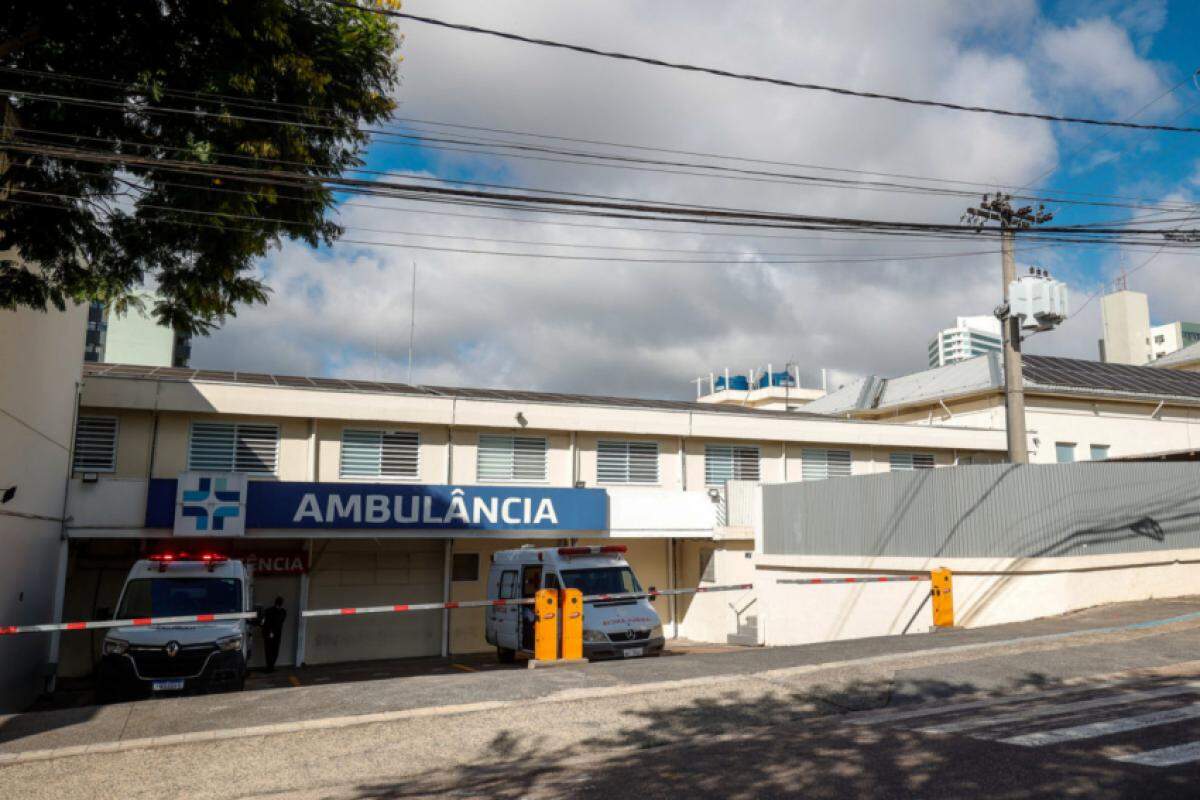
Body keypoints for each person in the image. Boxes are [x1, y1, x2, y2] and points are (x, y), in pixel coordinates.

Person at [261, 596, 287, 673]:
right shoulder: (282, 612)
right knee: (273, 651)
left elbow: (265, 623)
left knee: (270, 651)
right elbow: (279, 622)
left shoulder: (269, 611)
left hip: (270, 633)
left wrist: (270, 631)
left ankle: (270, 667)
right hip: (275, 633)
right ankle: (270, 667)